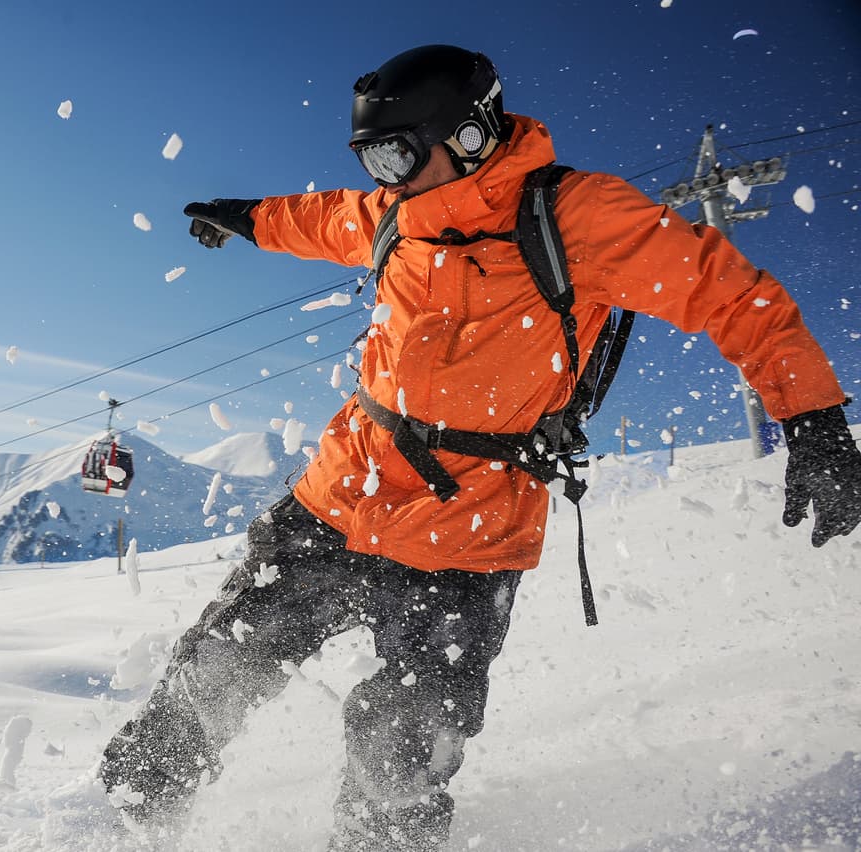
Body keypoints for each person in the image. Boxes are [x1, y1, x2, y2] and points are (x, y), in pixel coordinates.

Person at [59, 45, 861, 851]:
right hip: (340, 499)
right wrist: (242, 216)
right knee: (216, 673)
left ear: (470, 136)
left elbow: (735, 297)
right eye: (373, 158)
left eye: (398, 152)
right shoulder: (394, 215)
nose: (386, 177)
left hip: (467, 539)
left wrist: (815, 416)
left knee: (402, 748)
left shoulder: (576, 217)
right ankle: (117, 823)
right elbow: (319, 216)